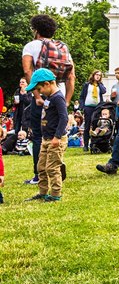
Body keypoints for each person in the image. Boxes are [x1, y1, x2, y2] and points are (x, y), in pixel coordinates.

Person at [22, 14, 75, 185]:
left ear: (36, 30)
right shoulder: (62, 47)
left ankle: (40, 175)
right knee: (56, 131)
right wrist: (66, 101)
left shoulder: (31, 46)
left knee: (39, 135)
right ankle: (56, 161)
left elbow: (28, 71)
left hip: (42, 96)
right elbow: (71, 76)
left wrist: (37, 96)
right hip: (57, 93)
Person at [24, 69, 69, 202]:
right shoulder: (49, 98)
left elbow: (64, 118)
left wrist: (57, 137)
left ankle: (56, 194)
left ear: (48, 83)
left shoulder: (58, 98)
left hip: (56, 140)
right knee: (41, 167)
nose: (40, 92)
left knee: (52, 168)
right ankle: (43, 192)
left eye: (40, 88)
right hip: (46, 139)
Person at [79, 70, 107, 151]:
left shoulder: (100, 86)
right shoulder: (87, 85)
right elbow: (82, 96)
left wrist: (99, 84)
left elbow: (104, 91)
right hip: (88, 107)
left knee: (96, 125)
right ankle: (85, 145)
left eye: (99, 75)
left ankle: (93, 144)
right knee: (87, 126)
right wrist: (82, 106)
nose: (98, 76)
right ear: (93, 75)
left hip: (97, 107)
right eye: (96, 74)